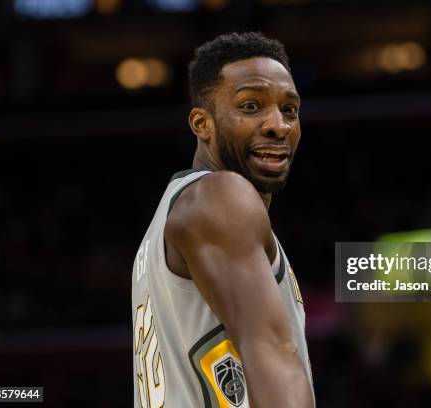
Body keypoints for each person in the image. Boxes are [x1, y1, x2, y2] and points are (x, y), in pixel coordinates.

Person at [132, 32, 315, 408]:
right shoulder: (220, 198)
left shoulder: (177, 215)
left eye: (289, 109)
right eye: (251, 106)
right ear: (202, 124)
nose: (277, 125)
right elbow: (273, 355)